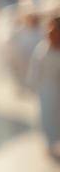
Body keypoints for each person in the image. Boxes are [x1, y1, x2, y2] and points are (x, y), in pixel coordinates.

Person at [27, 14, 60, 161]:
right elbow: (34, 72)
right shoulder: (41, 50)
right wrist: (33, 87)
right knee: (47, 117)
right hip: (47, 90)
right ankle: (50, 143)